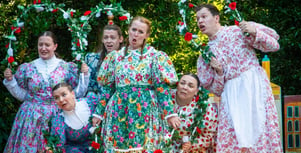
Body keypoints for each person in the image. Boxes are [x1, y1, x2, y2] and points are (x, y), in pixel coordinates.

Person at [195, 4, 282, 152]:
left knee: (261, 129)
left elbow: (274, 45)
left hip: (254, 86)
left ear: (216, 18)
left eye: (204, 16)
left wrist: (254, 31)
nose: (200, 21)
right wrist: (219, 72)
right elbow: (216, 90)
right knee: (233, 135)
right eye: (197, 19)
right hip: (231, 93)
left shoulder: (237, 31)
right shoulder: (205, 54)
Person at [92, 16, 181, 152]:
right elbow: (107, 89)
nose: (136, 34)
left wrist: (170, 113)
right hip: (119, 110)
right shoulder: (115, 57)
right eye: (134, 29)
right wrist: (98, 113)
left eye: (140, 31)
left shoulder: (154, 57)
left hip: (144, 110)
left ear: (146, 35)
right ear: (128, 30)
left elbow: (161, 88)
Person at [3, 31, 90, 152]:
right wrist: (10, 81)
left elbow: (76, 93)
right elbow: (22, 95)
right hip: (31, 118)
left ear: (55, 46)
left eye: (47, 45)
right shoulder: (27, 68)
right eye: (40, 44)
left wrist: (84, 75)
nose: (43, 48)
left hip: (56, 116)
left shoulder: (66, 68)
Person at [170, 73, 218, 153]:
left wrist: (192, 144)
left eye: (190, 86)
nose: (185, 87)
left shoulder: (205, 107)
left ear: (196, 91)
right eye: (182, 83)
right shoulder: (166, 100)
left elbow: (209, 135)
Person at [49, 82, 98, 152]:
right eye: (56, 98)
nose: (61, 100)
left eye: (64, 95)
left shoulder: (90, 102)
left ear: (72, 94)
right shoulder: (59, 121)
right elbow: (60, 146)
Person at [85, 24, 123, 94]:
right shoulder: (93, 59)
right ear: (102, 39)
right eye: (106, 37)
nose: (108, 41)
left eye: (112, 38)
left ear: (120, 39)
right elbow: (90, 87)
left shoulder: (127, 59)